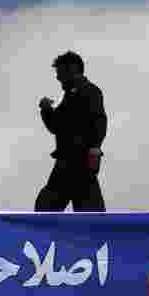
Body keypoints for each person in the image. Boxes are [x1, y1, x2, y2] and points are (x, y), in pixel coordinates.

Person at [35, 51, 108, 212]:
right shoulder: (70, 96)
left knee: (86, 208)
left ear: (71, 70)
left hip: (80, 161)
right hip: (67, 161)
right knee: (47, 205)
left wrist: (94, 149)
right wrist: (46, 110)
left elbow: (99, 121)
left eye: (60, 72)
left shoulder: (89, 91)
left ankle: (96, 235)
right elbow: (56, 125)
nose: (57, 77)